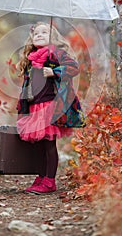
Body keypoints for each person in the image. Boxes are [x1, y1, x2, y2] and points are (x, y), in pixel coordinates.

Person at [16, 21, 83, 194]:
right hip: (34, 106)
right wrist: (22, 107)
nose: (39, 35)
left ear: (52, 37)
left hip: (50, 106)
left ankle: (50, 181)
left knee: (48, 144)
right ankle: (41, 177)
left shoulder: (55, 54)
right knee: (38, 145)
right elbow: (27, 86)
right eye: (36, 33)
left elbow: (73, 68)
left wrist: (54, 71)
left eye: (44, 32)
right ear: (31, 38)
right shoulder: (31, 58)